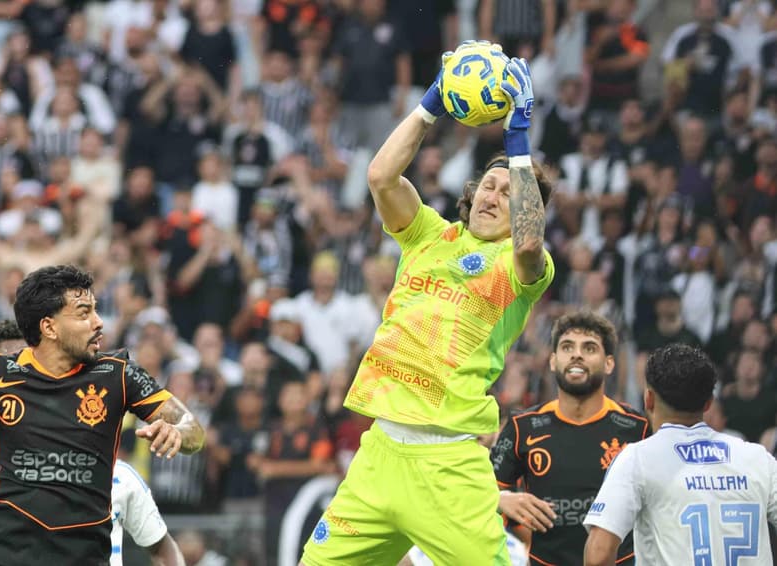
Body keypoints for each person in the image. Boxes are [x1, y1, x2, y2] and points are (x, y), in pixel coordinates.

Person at [301, 42, 555, 565]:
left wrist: (519, 136)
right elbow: (380, 177)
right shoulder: (426, 235)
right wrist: (431, 103)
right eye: (489, 185)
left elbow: (530, 243)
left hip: (449, 464)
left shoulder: (520, 267)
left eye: (509, 194)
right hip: (379, 455)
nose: (492, 197)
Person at [0, 265, 205, 565]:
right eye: (84, 313)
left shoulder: (119, 375)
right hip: (4, 556)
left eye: (96, 310)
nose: (98, 323)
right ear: (49, 327)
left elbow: (192, 429)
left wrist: (178, 432)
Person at [583, 343, 777, 565]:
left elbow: (598, 554)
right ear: (708, 404)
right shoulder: (757, 458)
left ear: (649, 399)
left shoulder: (638, 458)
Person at [492, 311, 649, 565]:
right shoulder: (523, 427)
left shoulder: (638, 429)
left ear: (609, 363)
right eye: (567, 347)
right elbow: (482, 490)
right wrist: (502, 500)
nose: (577, 354)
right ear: (553, 361)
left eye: (589, 348)